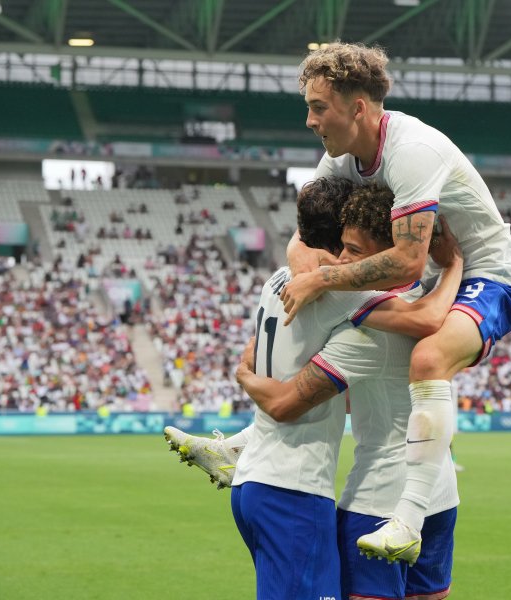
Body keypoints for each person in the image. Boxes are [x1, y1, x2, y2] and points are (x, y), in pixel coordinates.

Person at [280, 41, 511, 558]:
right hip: (435, 274)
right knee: (327, 312)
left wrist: (322, 279)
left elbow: (409, 263)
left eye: (318, 107)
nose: (309, 120)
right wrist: (308, 271)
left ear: (358, 109)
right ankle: (258, 441)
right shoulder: (344, 155)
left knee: (428, 356)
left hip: (488, 274)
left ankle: (409, 520)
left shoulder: (411, 151)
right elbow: (304, 233)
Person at [164, 179, 462, 599]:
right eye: (342, 246)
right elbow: (418, 326)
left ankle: (232, 447)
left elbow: (291, 400)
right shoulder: (432, 303)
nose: (343, 261)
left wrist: (247, 378)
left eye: (355, 252)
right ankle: (233, 448)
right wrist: (454, 265)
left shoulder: (304, 292)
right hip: (423, 494)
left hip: (338, 496)